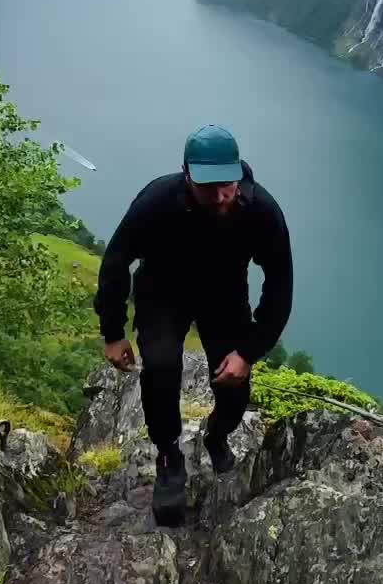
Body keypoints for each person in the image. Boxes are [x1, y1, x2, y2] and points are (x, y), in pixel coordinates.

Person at [94, 124, 293, 521]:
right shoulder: (157, 200)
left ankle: (217, 434)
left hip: (223, 296)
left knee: (235, 385)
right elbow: (116, 262)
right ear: (186, 175)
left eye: (227, 185)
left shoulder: (261, 212)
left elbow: (281, 282)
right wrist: (114, 333)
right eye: (208, 187)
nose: (220, 196)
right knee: (162, 368)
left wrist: (250, 351)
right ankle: (169, 456)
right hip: (162, 293)